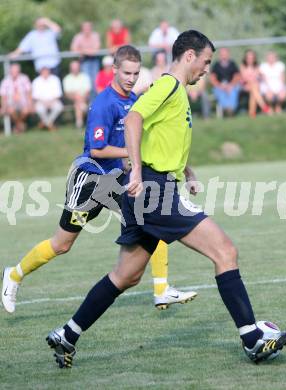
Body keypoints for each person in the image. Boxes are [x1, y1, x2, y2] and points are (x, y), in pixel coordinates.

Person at [45, 31, 286, 369]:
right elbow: (134, 119)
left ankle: (67, 334)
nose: (206, 69)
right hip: (153, 189)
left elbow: (156, 137)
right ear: (189, 55)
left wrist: (187, 171)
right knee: (225, 251)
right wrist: (135, 174)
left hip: (152, 187)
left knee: (127, 275)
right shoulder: (169, 86)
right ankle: (253, 339)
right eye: (205, 61)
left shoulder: (174, 92)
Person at [1, 46, 196, 318]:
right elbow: (97, 150)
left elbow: (154, 141)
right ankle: (14, 274)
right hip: (91, 180)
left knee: (152, 217)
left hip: (116, 181)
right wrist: (132, 152)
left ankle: (161, 289)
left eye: (136, 73)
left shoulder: (133, 102)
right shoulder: (104, 103)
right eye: (126, 72)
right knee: (62, 244)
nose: (131, 78)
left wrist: (187, 171)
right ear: (113, 70)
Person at [71, 21, 101, 101]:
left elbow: (96, 50)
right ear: (82, 29)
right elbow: (73, 49)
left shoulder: (95, 35)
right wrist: (89, 51)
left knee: (95, 82)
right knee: (87, 84)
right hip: (84, 61)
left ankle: (94, 103)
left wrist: (82, 50)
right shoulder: (78, 37)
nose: (87, 29)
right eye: (85, 28)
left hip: (94, 61)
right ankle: (88, 105)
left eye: (88, 28)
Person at [0, 63, 33, 133]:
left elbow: (29, 92)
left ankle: (17, 126)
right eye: (13, 71)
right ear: (10, 72)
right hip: (10, 102)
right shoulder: (5, 81)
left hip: (23, 102)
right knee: (10, 110)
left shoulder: (24, 78)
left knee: (26, 110)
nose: (14, 73)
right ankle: (20, 125)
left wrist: (30, 104)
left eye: (16, 71)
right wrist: (3, 106)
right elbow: (3, 96)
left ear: (19, 71)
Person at [209, 47, 241, 116]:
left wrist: (230, 85)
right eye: (222, 54)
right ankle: (226, 108)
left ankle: (231, 108)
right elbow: (212, 78)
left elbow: (237, 76)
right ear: (220, 55)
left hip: (231, 85)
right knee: (220, 92)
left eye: (225, 54)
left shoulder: (233, 64)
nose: (223, 55)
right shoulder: (216, 65)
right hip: (219, 86)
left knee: (234, 90)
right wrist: (220, 86)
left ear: (228, 54)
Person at [240, 50, 270, 118]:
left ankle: (252, 113)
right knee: (254, 87)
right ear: (245, 58)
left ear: (254, 58)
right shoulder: (243, 66)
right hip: (245, 86)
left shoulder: (257, 66)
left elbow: (261, 76)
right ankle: (264, 107)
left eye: (252, 58)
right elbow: (244, 78)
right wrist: (253, 78)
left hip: (255, 86)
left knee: (253, 90)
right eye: (248, 58)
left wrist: (258, 78)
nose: (250, 59)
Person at [32, 67, 63, 131]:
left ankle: (44, 123)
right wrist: (44, 102)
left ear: (49, 72)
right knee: (39, 108)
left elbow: (59, 94)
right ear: (40, 72)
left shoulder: (55, 79)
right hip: (41, 101)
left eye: (46, 72)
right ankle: (50, 124)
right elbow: (35, 96)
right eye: (44, 72)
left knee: (59, 107)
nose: (45, 73)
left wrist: (51, 101)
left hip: (54, 100)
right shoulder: (36, 81)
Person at [63, 60, 91, 128]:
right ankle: (81, 121)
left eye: (76, 67)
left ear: (79, 68)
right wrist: (76, 97)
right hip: (71, 100)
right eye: (73, 68)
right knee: (78, 104)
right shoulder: (67, 78)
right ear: (70, 68)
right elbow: (67, 94)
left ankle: (79, 124)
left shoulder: (85, 77)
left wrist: (81, 98)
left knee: (78, 104)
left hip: (84, 99)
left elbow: (88, 91)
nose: (75, 69)